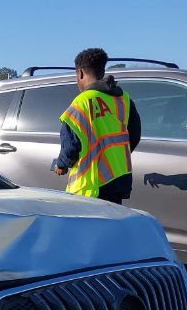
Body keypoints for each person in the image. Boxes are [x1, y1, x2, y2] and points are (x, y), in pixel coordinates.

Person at [54, 48, 141, 204]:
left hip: (90, 186)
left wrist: (61, 164)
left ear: (80, 73)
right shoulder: (123, 100)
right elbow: (134, 136)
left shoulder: (81, 103)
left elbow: (71, 145)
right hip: (118, 180)